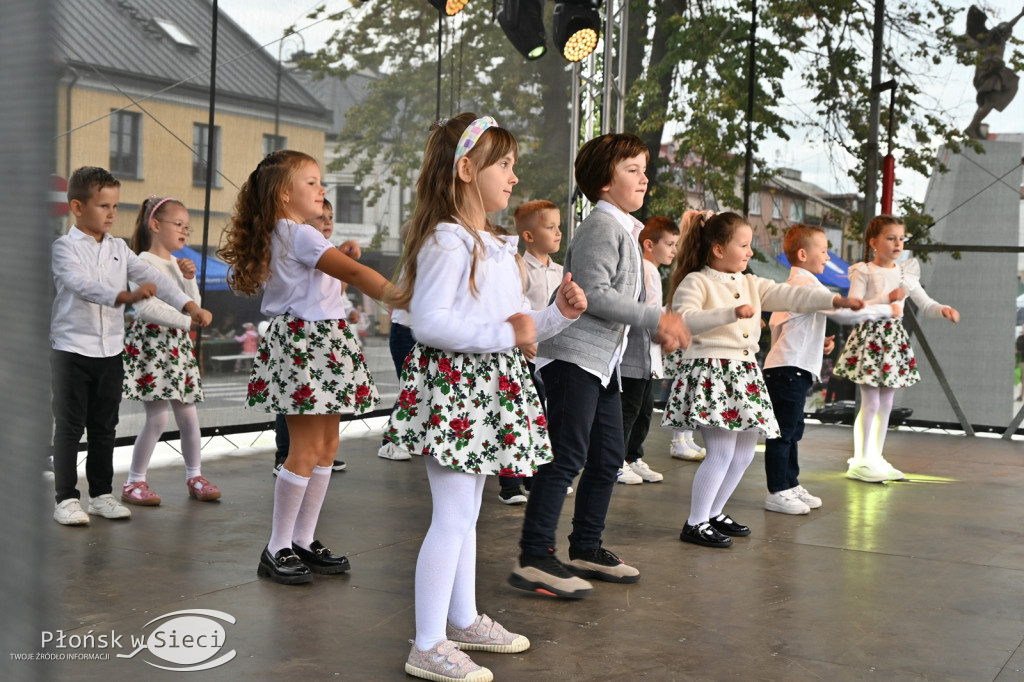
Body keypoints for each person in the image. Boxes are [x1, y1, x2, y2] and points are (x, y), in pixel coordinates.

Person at [383, 114, 587, 682]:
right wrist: (511, 334)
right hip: (456, 390)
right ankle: (427, 643)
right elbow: (429, 323)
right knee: (451, 516)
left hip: (481, 389)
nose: (513, 177)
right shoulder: (448, 242)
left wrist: (557, 316)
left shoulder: (492, 246)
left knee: (467, 513)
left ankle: (464, 617)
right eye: (503, 164)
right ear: (466, 169)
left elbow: (518, 326)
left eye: (513, 165)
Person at [509, 132, 689, 599]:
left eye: (644, 169)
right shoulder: (601, 227)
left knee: (608, 456)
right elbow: (595, 295)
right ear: (604, 183)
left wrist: (657, 327)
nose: (644, 178)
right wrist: (658, 317)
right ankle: (534, 556)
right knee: (568, 455)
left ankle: (585, 547)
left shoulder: (624, 230)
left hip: (601, 364)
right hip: (572, 358)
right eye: (632, 169)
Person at [218, 149, 393, 585]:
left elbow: (323, 276)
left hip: (317, 342)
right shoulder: (300, 235)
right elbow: (354, 273)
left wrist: (338, 249)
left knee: (326, 447)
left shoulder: (290, 233)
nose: (322, 189)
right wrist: (405, 295)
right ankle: (278, 545)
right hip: (309, 343)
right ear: (283, 194)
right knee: (306, 449)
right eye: (312, 182)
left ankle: (301, 539)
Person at [663, 211, 864, 548]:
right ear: (717, 249)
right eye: (743, 245)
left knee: (743, 453)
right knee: (722, 452)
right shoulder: (697, 281)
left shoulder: (750, 282)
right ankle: (695, 522)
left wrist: (834, 299)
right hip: (713, 371)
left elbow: (793, 295)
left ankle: (713, 512)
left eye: (749, 245)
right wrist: (730, 313)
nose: (749, 252)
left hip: (742, 373)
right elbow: (685, 320)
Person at [50, 167, 212, 526]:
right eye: (103, 205)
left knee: (105, 427)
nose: (111, 213)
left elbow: (155, 279)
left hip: (110, 352)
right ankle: (66, 499)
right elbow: (79, 284)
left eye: (115, 205)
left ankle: (102, 495)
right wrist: (124, 295)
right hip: (71, 351)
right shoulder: (64, 248)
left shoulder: (120, 249)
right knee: (70, 427)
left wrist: (190, 307)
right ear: (77, 206)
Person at [762, 224, 895, 514]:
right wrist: (886, 308)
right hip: (787, 369)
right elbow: (844, 312)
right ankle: (777, 490)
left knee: (793, 430)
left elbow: (783, 326)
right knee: (784, 432)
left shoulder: (798, 285)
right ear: (802, 253)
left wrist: (817, 341)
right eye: (822, 250)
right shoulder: (805, 285)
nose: (827, 256)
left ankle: (789, 483)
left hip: (790, 368)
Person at [833, 215, 960, 482]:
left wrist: (943, 310)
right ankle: (861, 459)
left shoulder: (904, 272)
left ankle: (876, 456)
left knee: (887, 402)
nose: (898, 243)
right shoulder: (863, 270)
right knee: (870, 402)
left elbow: (925, 303)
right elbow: (854, 304)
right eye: (891, 238)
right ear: (874, 242)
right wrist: (885, 298)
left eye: (901, 238)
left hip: (893, 338)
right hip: (870, 335)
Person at [121, 196, 221, 506]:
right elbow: (146, 308)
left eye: (187, 228)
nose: (184, 232)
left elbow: (195, 304)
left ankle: (195, 475)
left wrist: (189, 279)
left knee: (189, 418)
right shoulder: (142, 261)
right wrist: (186, 319)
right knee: (158, 419)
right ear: (155, 225)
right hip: (153, 346)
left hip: (177, 347)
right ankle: (134, 482)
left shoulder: (179, 264)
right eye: (178, 225)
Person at [271, 198, 359, 476]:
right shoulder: (301, 241)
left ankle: (316, 454)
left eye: (331, 217)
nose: (328, 222)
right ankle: (285, 454)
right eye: (321, 216)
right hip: (303, 335)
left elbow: (333, 293)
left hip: (324, 336)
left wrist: (344, 261)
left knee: (318, 403)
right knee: (298, 400)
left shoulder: (323, 250)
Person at [498, 199, 565, 504]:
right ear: (528, 236)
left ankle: (537, 475)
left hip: (552, 357)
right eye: (550, 227)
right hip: (525, 356)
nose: (558, 232)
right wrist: (522, 340)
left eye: (558, 226)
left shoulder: (563, 271)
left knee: (543, 418)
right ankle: (510, 482)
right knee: (517, 417)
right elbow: (513, 310)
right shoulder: (517, 267)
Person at [618, 215, 680, 485]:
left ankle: (632, 457)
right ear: (648, 244)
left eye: (675, 244)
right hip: (635, 354)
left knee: (642, 409)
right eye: (669, 244)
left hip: (646, 356)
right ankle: (616, 462)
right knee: (630, 410)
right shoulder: (647, 270)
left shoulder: (650, 270)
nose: (673, 250)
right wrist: (663, 334)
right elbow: (650, 313)